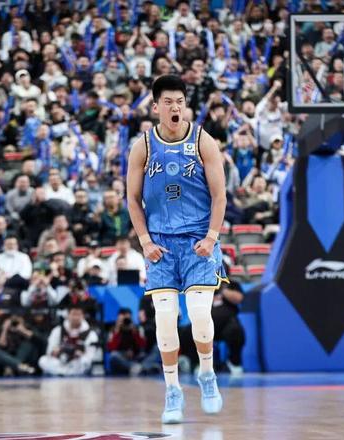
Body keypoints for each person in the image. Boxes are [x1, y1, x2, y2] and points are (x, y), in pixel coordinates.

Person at [126, 75, 227, 423]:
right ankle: (173, 390)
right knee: (166, 319)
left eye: (180, 102)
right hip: (160, 244)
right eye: (168, 102)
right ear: (156, 107)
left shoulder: (203, 141)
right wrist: (145, 241)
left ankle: (207, 375)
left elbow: (220, 195)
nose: (175, 107)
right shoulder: (142, 146)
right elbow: (132, 199)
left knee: (199, 313)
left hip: (198, 240)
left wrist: (212, 237)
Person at [38, 304, 99, 376]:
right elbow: (49, 350)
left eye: (78, 315)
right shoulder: (58, 330)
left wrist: (80, 354)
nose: (76, 318)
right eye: (73, 314)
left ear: (83, 316)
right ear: (68, 315)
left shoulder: (91, 334)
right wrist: (55, 351)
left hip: (77, 363)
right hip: (60, 361)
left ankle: (62, 373)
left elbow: (90, 357)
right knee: (43, 360)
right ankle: (64, 373)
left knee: (84, 362)